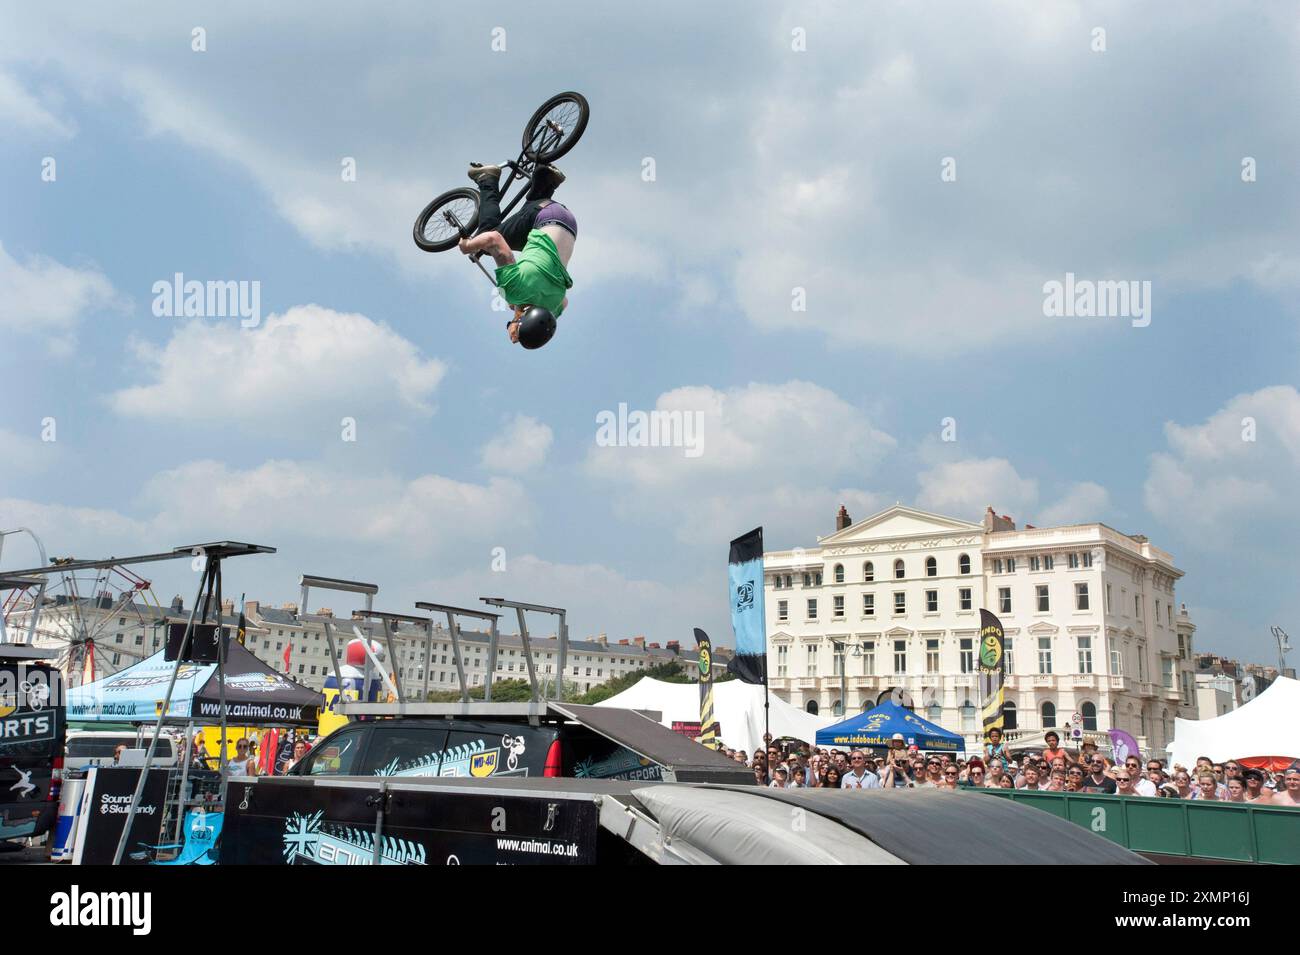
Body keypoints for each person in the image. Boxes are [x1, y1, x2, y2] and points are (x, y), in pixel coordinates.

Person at [459, 162, 574, 347]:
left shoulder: (554, 307)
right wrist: (469, 246)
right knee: (486, 236)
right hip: (544, 217)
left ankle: (545, 181)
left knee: (525, 237)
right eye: (511, 325)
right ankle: (487, 178)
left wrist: (525, 304)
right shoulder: (514, 291)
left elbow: (565, 302)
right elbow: (494, 239)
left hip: (567, 221)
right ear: (521, 320)